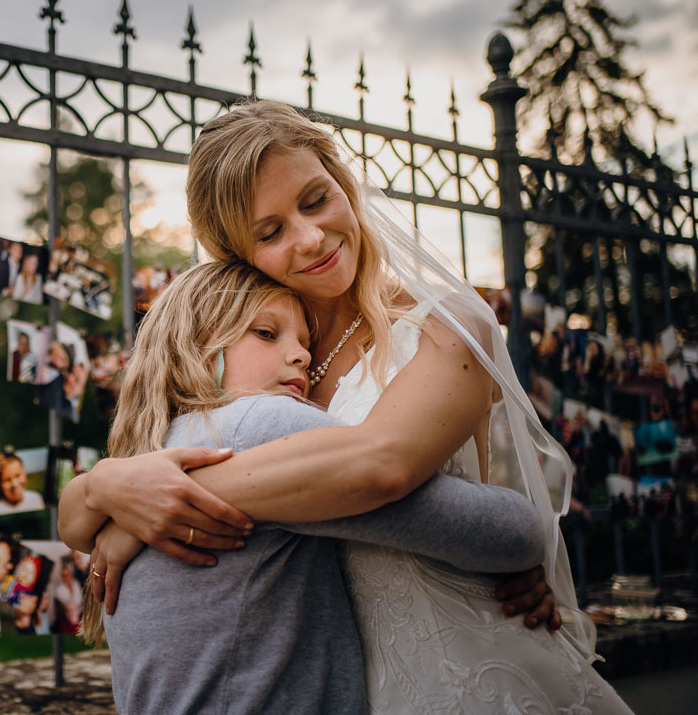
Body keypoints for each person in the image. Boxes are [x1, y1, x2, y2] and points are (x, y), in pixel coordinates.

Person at [60, 102, 628, 713]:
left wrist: (136, 498)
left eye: (315, 199)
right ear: (235, 253)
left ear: (342, 180)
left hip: (457, 665)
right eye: (269, 232)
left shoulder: (445, 328)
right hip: (336, 677)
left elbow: (382, 466)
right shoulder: (263, 369)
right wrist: (100, 492)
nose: (310, 239)